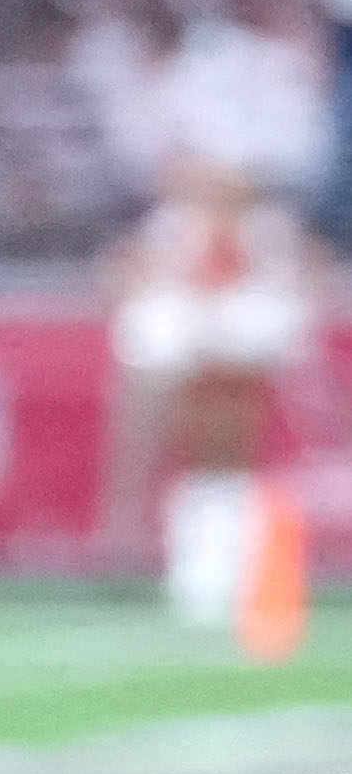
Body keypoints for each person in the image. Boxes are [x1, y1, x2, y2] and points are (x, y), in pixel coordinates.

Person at [110, 145, 326, 641]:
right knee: (152, 331)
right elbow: (138, 278)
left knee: (228, 456)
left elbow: (289, 288)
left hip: (242, 332)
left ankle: (230, 564)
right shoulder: (170, 227)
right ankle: (139, 491)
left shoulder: (269, 231)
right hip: (189, 331)